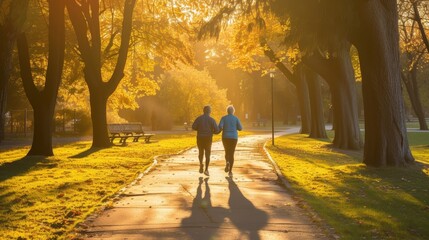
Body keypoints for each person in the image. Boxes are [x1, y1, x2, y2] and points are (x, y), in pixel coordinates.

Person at [192, 105, 219, 176]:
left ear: (203, 111)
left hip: (200, 137)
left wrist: (199, 129)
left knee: (201, 152)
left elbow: (193, 127)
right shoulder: (212, 120)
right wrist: (212, 131)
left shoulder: (199, 118)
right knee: (207, 154)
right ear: (210, 111)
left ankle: (201, 164)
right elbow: (216, 131)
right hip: (208, 138)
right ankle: (206, 169)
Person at [219, 105, 242, 177]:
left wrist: (224, 128)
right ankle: (230, 171)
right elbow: (240, 128)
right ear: (233, 111)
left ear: (227, 111)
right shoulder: (236, 118)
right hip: (234, 138)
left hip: (225, 137)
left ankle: (227, 162)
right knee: (232, 153)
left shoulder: (223, 118)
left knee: (226, 151)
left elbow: (220, 126)